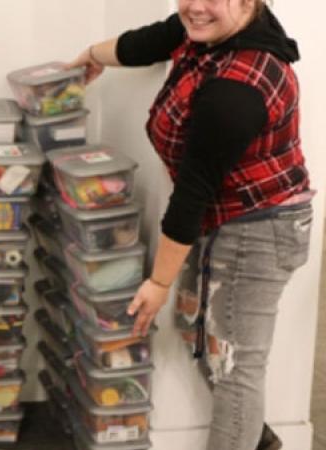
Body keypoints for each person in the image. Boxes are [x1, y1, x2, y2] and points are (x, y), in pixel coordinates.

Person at [68, 1, 312, 449]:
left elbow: (192, 193)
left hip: (262, 228)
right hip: (221, 218)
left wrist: (158, 283)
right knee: (197, 332)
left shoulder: (239, 87)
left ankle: (247, 435)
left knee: (235, 366)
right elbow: (153, 39)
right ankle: (258, 438)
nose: (195, 7)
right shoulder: (207, 30)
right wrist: (90, 56)